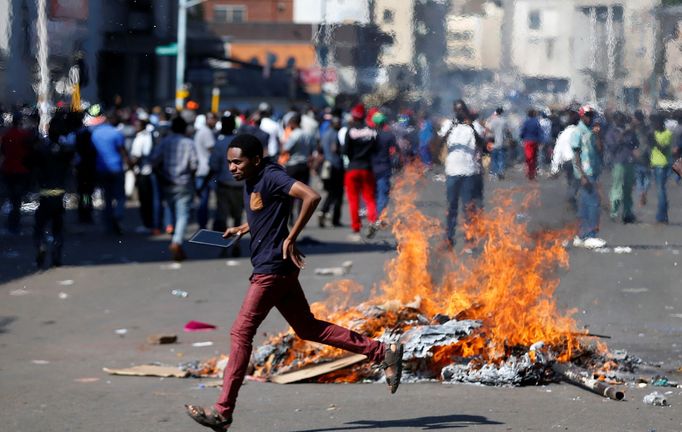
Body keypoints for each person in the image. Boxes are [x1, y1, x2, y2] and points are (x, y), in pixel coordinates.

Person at [184, 134, 403, 431]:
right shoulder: (252, 178)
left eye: (238, 162)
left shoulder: (272, 175)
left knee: (240, 333)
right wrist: (245, 227)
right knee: (307, 327)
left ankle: (223, 412)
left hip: (272, 270)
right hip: (278, 269)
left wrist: (291, 235)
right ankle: (381, 351)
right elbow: (266, 209)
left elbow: (311, 196)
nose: (233, 168)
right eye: (229, 163)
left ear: (256, 160)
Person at [32, 112, 76, 267]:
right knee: (58, 226)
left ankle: (41, 244)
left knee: (40, 225)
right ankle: (56, 252)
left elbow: (33, 164)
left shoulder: (41, 150)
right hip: (59, 192)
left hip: (45, 192)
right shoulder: (65, 151)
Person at [152, 116, 198, 261]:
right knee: (183, 215)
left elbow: (154, 160)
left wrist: (161, 174)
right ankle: (177, 241)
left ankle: (172, 233)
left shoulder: (165, 142)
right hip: (184, 183)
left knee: (170, 210)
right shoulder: (189, 143)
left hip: (167, 182)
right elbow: (194, 165)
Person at [439, 108, 479, 249]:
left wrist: (472, 126)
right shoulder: (449, 126)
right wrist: (451, 127)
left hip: (468, 172)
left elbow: (483, 143)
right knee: (451, 207)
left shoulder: (474, 127)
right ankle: (449, 238)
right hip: (452, 172)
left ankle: (469, 239)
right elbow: (440, 141)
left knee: (468, 208)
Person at [208, 113, 243, 257]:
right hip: (240, 185)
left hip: (223, 185)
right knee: (237, 217)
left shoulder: (219, 143)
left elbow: (213, 165)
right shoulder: (241, 143)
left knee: (223, 217)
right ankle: (236, 244)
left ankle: (223, 245)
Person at [572, 105, 606, 249]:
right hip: (586, 173)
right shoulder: (578, 132)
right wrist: (582, 175)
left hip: (593, 171)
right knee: (593, 203)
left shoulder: (591, 132)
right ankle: (590, 235)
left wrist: (597, 135)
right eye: (587, 115)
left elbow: (599, 149)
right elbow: (576, 156)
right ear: (581, 116)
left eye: (591, 115)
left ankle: (581, 235)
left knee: (586, 204)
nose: (590, 118)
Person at [91, 110, 129, 234]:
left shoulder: (95, 133)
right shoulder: (116, 133)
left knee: (106, 196)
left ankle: (108, 222)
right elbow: (122, 151)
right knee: (120, 195)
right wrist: (129, 163)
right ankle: (118, 215)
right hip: (116, 167)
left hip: (101, 169)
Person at [344, 104, 379, 236]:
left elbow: (345, 151)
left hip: (353, 168)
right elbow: (375, 150)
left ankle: (356, 226)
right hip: (367, 168)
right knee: (369, 198)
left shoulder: (350, 131)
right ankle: (372, 221)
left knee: (353, 199)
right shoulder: (371, 132)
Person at [0, 112, 34, 234]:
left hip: (8, 169)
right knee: (17, 197)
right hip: (20, 169)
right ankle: (14, 221)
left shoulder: (6, 135)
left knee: (10, 195)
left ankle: (12, 220)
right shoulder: (24, 135)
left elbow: (3, 151)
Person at [130, 115, 160, 233]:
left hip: (143, 172)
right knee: (150, 200)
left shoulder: (140, 138)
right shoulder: (149, 136)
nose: (135, 127)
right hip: (150, 172)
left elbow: (136, 157)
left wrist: (130, 166)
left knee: (145, 200)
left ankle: (147, 224)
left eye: (137, 125)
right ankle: (151, 223)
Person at [606, 112, 637, 224]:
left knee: (628, 189)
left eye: (622, 119)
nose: (620, 121)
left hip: (629, 162)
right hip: (618, 163)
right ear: (615, 120)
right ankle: (614, 212)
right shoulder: (611, 133)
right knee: (617, 188)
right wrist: (621, 137)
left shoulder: (631, 132)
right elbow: (612, 148)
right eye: (618, 119)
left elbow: (635, 145)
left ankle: (627, 213)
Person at [317, 115, 344, 228]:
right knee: (337, 193)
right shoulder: (334, 134)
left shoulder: (325, 134)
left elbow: (320, 149)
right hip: (335, 166)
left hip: (326, 165)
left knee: (330, 191)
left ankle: (323, 212)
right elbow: (334, 148)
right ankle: (333, 218)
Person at [194, 112, 217, 230]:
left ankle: (202, 224)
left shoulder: (200, 132)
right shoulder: (207, 132)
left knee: (202, 199)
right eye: (213, 119)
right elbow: (212, 150)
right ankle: (205, 224)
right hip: (207, 170)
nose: (215, 121)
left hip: (201, 170)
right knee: (206, 200)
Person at [371, 112, 397, 217]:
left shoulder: (369, 135)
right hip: (384, 167)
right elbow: (394, 151)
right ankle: (379, 215)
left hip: (371, 167)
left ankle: (373, 214)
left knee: (373, 193)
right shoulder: (389, 135)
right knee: (383, 193)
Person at [651, 114, 672, 224]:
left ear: (660, 123)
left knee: (661, 191)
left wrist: (654, 142)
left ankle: (661, 216)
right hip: (655, 164)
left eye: (655, 123)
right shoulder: (655, 133)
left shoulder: (667, 133)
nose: (654, 125)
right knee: (661, 190)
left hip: (662, 165)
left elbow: (664, 149)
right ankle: (664, 216)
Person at [632, 111, 652, 207]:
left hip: (637, 156)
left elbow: (632, 142)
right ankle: (644, 191)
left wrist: (634, 151)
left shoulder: (635, 129)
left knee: (639, 178)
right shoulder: (649, 128)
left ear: (636, 118)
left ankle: (641, 193)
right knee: (647, 177)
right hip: (647, 157)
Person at [487, 107, 510, 179]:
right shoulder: (504, 121)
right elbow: (507, 131)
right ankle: (501, 172)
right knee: (501, 158)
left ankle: (494, 172)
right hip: (502, 142)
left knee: (494, 158)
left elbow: (489, 128)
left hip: (494, 142)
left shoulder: (493, 120)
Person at [520, 109, 542, 180]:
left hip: (527, 141)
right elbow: (540, 132)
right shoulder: (536, 122)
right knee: (534, 158)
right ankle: (533, 172)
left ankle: (529, 172)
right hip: (535, 141)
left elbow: (522, 132)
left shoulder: (526, 122)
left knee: (528, 158)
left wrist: (522, 138)